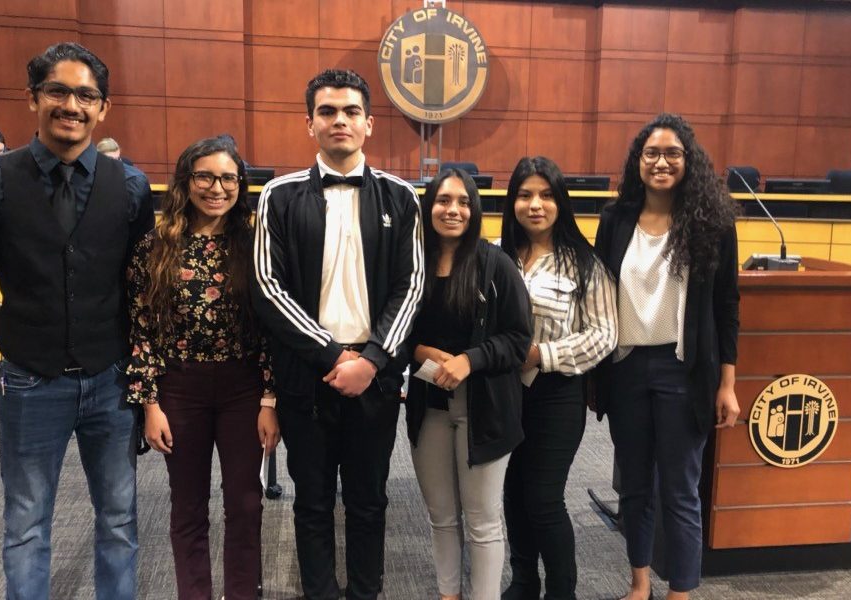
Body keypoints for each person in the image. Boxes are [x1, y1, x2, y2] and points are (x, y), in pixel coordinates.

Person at [0, 42, 153, 600]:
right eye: (58, 91)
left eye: (86, 95)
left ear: (103, 108)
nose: (72, 105)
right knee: (26, 523)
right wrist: (17, 340)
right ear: (33, 97)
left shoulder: (131, 187)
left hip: (112, 382)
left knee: (119, 519)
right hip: (28, 383)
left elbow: (139, 287)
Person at [250, 69, 424, 600]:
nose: (340, 120)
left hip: (375, 377)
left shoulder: (401, 196)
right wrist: (332, 355)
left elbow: (411, 286)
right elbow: (267, 287)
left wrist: (369, 360)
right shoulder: (278, 195)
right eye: (327, 111)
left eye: (351, 111)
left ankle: (366, 594)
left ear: (369, 123)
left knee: (369, 501)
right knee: (312, 503)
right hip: (307, 375)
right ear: (310, 124)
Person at [592, 113, 740, 600]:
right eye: (651, 153)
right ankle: (639, 584)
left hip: (685, 372)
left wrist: (727, 384)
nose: (661, 162)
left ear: (688, 160)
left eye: (672, 153)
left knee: (679, 490)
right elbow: (597, 296)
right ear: (638, 161)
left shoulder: (713, 224)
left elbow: (727, 307)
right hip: (626, 369)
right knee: (635, 488)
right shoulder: (615, 220)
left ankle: (681, 592)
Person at [126, 136, 277, 600]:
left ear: (240, 184)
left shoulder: (256, 244)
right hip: (179, 388)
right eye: (205, 176)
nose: (217, 188)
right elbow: (141, 326)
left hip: (243, 388)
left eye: (228, 178)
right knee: (188, 506)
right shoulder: (155, 245)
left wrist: (270, 399)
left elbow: (272, 327)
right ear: (185, 181)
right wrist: (150, 404)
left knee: (245, 504)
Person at [406, 168, 532, 600]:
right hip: (429, 407)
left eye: (463, 202)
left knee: (482, 520)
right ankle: (449, 595)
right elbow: (393, 333)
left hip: (485, 409)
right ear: (429, 207)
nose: (453, 210)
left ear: (475, 209)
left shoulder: (495, 264)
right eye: (443, 200)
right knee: (441, 516)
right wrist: (419, 351)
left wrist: (470, 360)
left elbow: (519, 339)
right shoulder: (413, 264)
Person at [498, 156, 617, 600]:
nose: (535, 205)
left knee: (544, 498)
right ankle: (524, 581)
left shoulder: (584, 263)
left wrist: (540, 355)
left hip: (556, 393)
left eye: (546, 195)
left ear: (560, 202)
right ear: (512, 202)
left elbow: (604, 334)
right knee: (513, 492)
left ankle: (562, 591)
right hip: (503, 394)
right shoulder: (496, 257)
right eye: (525, 195)